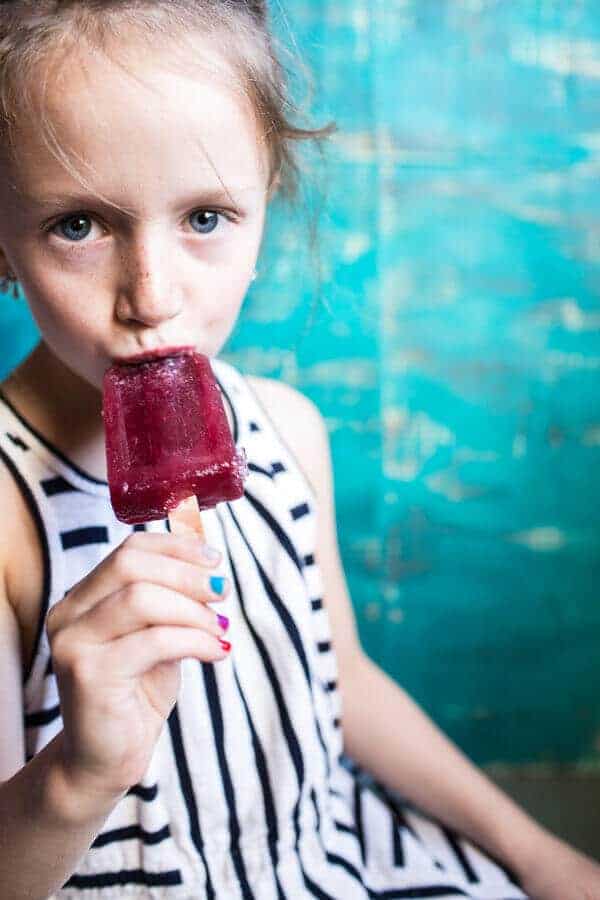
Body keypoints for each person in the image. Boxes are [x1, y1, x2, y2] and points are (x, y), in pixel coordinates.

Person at [0, 2, 598, 898]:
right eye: (78, 225)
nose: (151, 297)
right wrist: (80, 773)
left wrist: (537, 853)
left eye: (205, 217)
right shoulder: (7, 513)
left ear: (266, 205)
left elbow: (339, 682)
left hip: (328, 859)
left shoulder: (285, 431)